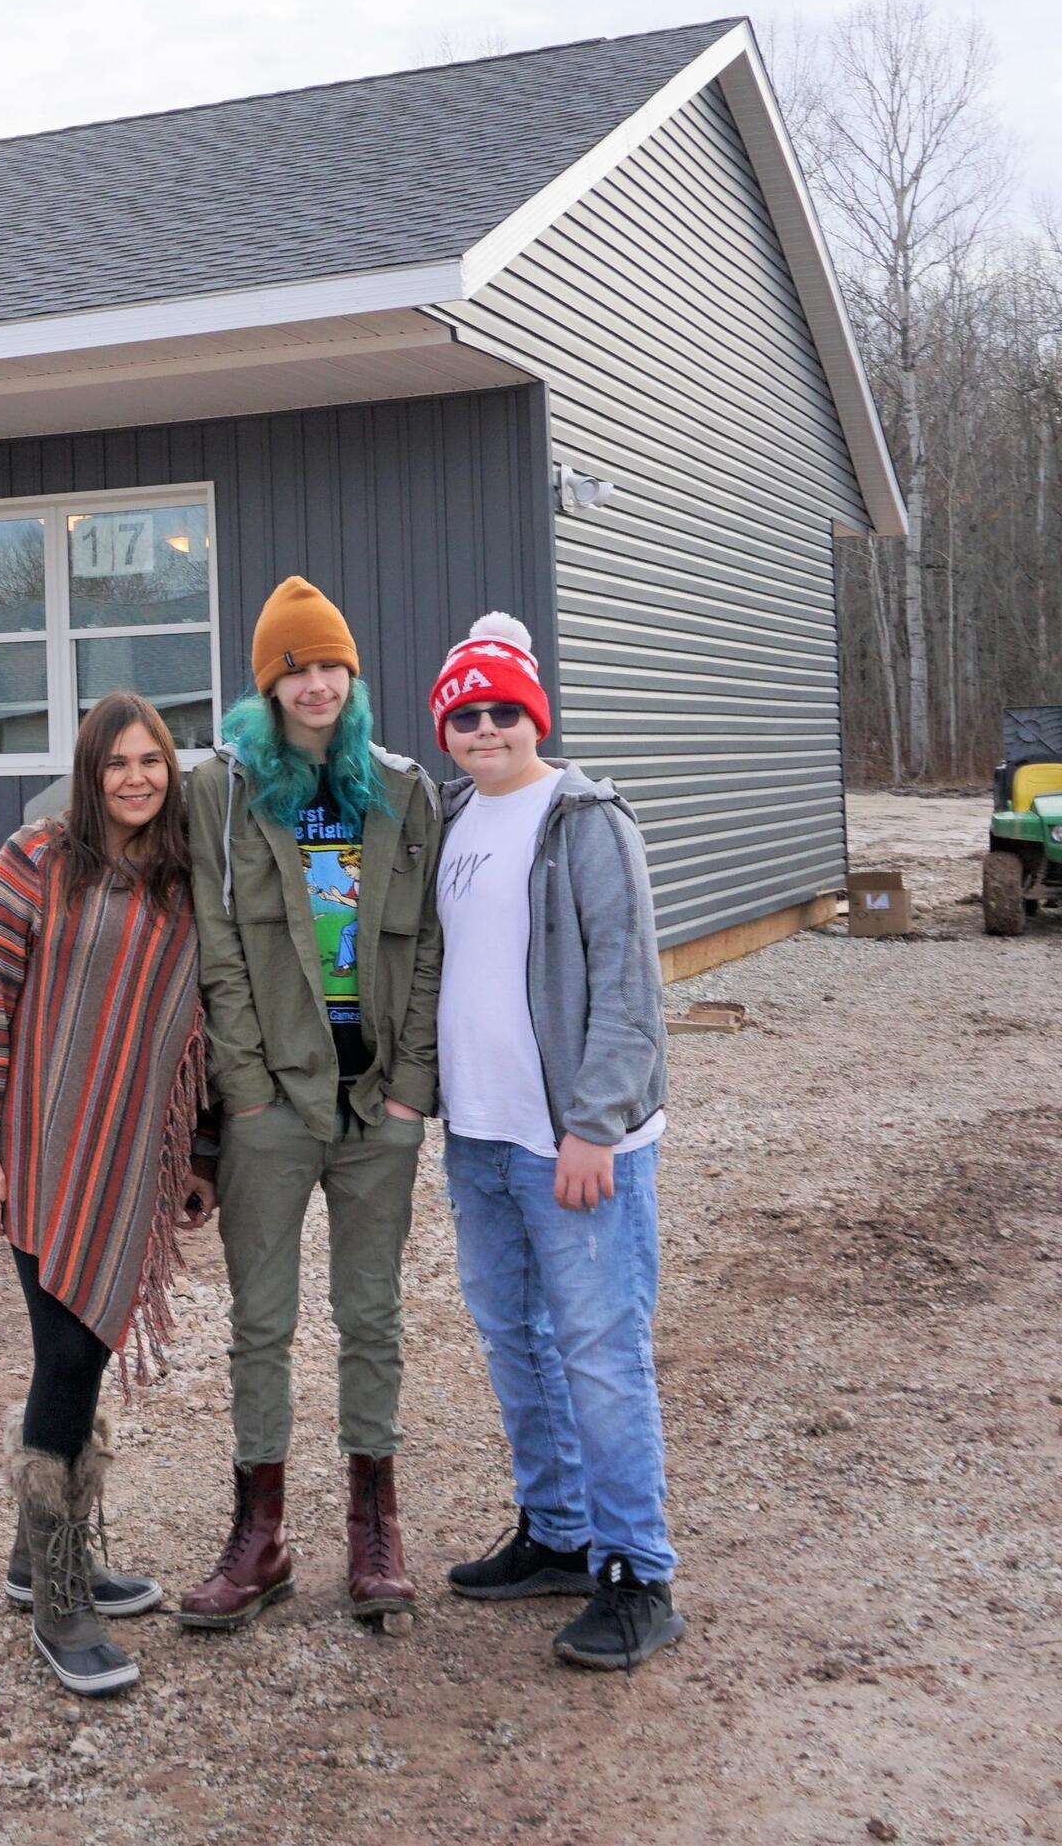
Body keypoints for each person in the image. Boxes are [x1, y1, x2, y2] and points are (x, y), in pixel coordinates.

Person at [180, 578, 442, 1632]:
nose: (318, 682)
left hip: (375, 1105)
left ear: (354, 674)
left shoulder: (402, 790)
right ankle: (261, 1536)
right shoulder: (227, 792)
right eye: (296, 666)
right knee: (262, 1321)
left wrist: (412, 1091)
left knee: (371, 1316)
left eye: (331, 663)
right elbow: (218, 949)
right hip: (274, 1109)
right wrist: (243, 1094)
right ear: (269, 682)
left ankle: (374, 1531)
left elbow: (425, 951)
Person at [425, 612, 684, 1670]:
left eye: (502, 711)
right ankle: (559, 1534)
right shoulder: (450, 818)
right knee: (511, 1335)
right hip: (479, 1137)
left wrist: (595, 1127)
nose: (485, 728)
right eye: (465, 714)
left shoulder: (584, 819)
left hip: (573, 1146)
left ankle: (639, 1574)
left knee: (600, 1352)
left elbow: (627, 985)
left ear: (534, 716)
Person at [0, 692, 217, 1697]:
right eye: (119, 763)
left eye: (154, 761)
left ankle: (37, 1561)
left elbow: (200, 1039)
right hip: (40, 1152)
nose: (138, 779)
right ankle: (62, 1603)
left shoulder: (185, 884)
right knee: (64, 1356)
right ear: (89, 770)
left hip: (129, 1163)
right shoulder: (34, 861)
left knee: (82, 1352)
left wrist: (201, 1157)